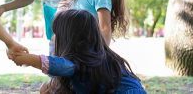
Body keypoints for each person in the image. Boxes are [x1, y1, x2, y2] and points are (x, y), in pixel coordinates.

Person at [11, 9, 146, 94]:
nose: (54, 37)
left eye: (57, 33)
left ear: (69, 38)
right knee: (47, 88)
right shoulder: (97, 58)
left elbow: (58, 65)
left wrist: (24, 58)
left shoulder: (80, 63)